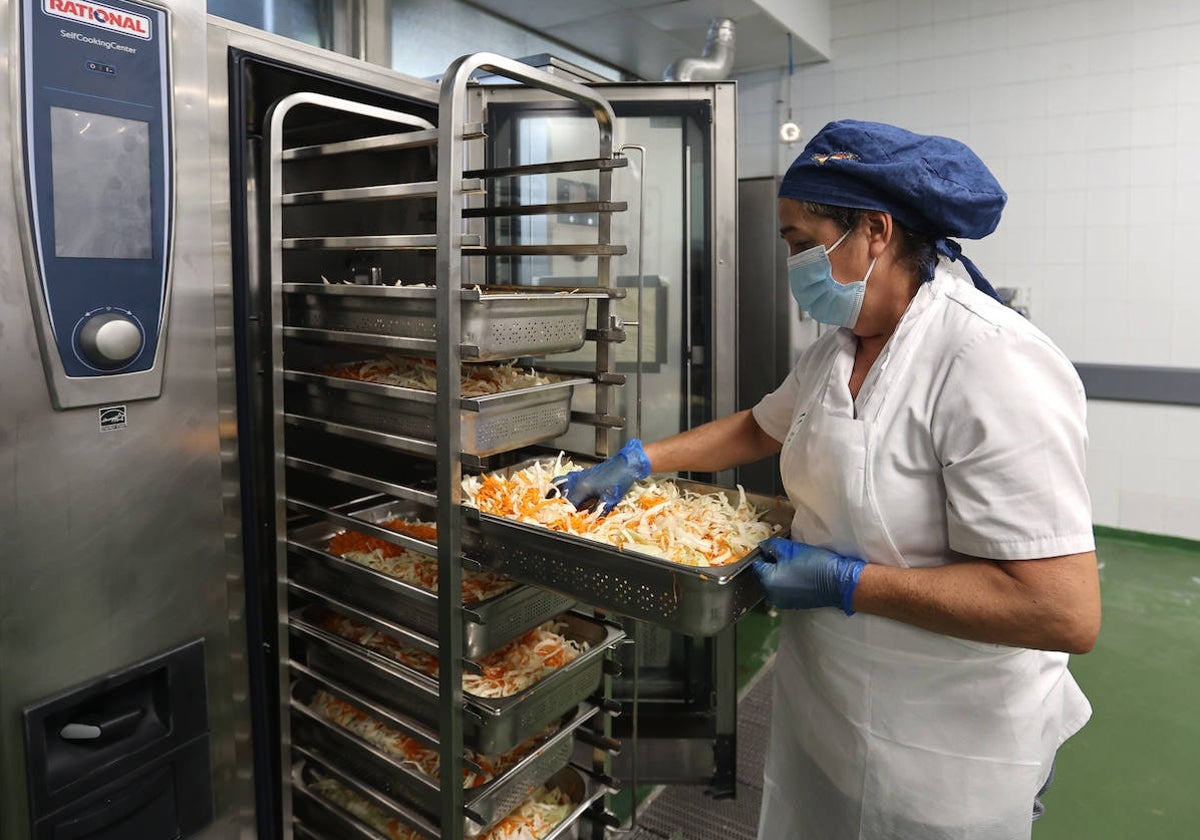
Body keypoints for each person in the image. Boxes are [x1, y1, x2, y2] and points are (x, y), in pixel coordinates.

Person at [553, 119, 1101, 840]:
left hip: (951, 738)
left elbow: (1061, 610)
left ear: (874, 231)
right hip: (832, 705)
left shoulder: (989, 362)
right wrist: (643, 460)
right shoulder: (839, 349)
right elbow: (760, 426)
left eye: (799, 243)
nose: (792, 265)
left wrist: (846, 582)